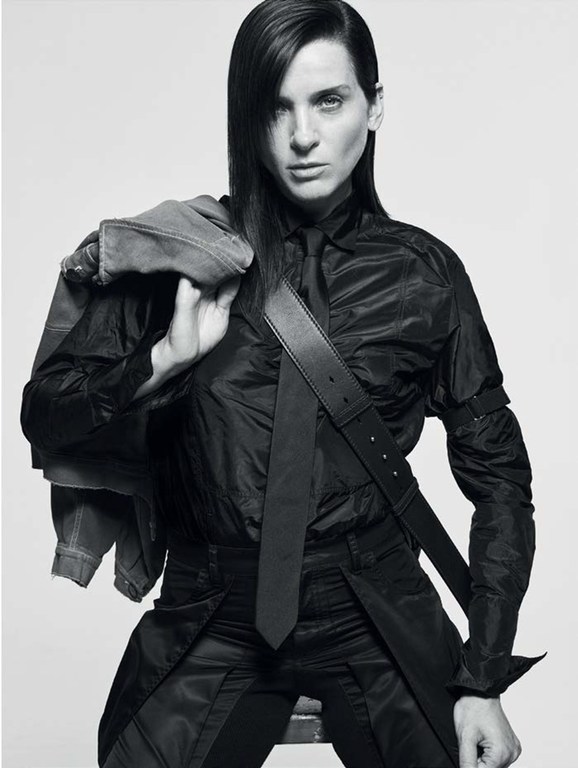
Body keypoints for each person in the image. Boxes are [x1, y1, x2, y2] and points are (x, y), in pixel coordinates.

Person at [20, 1, 545, 767]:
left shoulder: (425, 275)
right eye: (276, 108)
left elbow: (500, 481)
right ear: (247, 120)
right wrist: (162, 359)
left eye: (328, 101)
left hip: (378, 609)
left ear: (374, 105)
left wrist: (484, 674)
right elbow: (46, 415)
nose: (302, 135)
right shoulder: (177, 256)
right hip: (212, 610)